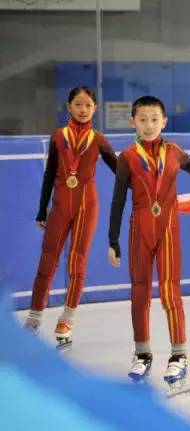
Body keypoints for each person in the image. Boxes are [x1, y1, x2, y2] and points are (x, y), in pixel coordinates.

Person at [108, 95, 190, 396]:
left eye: (154, 119)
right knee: (139, 292)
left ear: (164, 122)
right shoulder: (126, 157)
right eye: (142, 119)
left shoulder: (174, 152)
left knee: (169, 291)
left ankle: (179, 355)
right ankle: (142, 353)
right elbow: (117, 200)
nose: (149, 125)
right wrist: (112, 239)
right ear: (132, 122)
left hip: (167, 229)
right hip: (139, 229)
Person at [24, 85, 117, 350]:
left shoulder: (99, 139)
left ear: (95, 108)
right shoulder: (58, 136)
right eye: (78, 104)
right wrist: (42, 209)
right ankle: (34, 317)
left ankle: (67, 319)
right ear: (69, 107)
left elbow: (120, 171)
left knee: (77, 263)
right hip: (60, 206)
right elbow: (49, 174)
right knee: (47, 261)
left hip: (87, 208)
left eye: (88, 105)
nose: (83, 109)